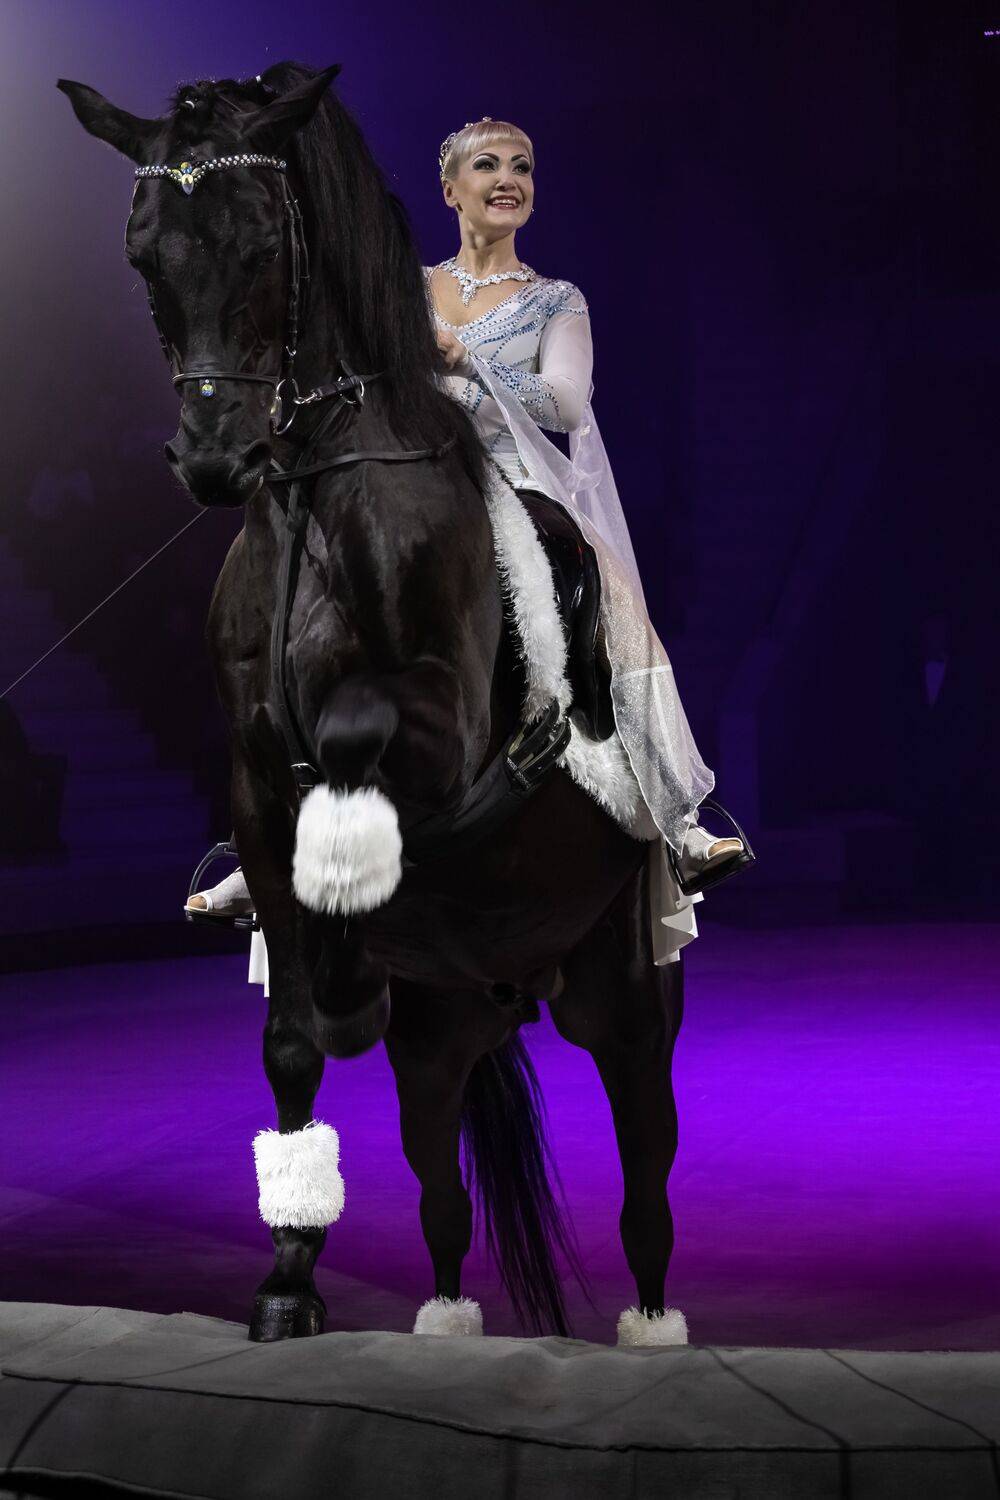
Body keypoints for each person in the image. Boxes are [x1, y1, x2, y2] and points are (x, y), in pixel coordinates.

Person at [189, 117, 750, 958]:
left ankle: (678, 817)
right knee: (282, 601)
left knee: (608, 590)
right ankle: (260, 841)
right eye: (487, 165)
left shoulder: (558, 300)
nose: (508, 178)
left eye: (522, 166)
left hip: (508, 477)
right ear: (450, 189)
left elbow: (566, 403)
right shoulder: (403, 290)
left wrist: (466, 365)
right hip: (398, 481)